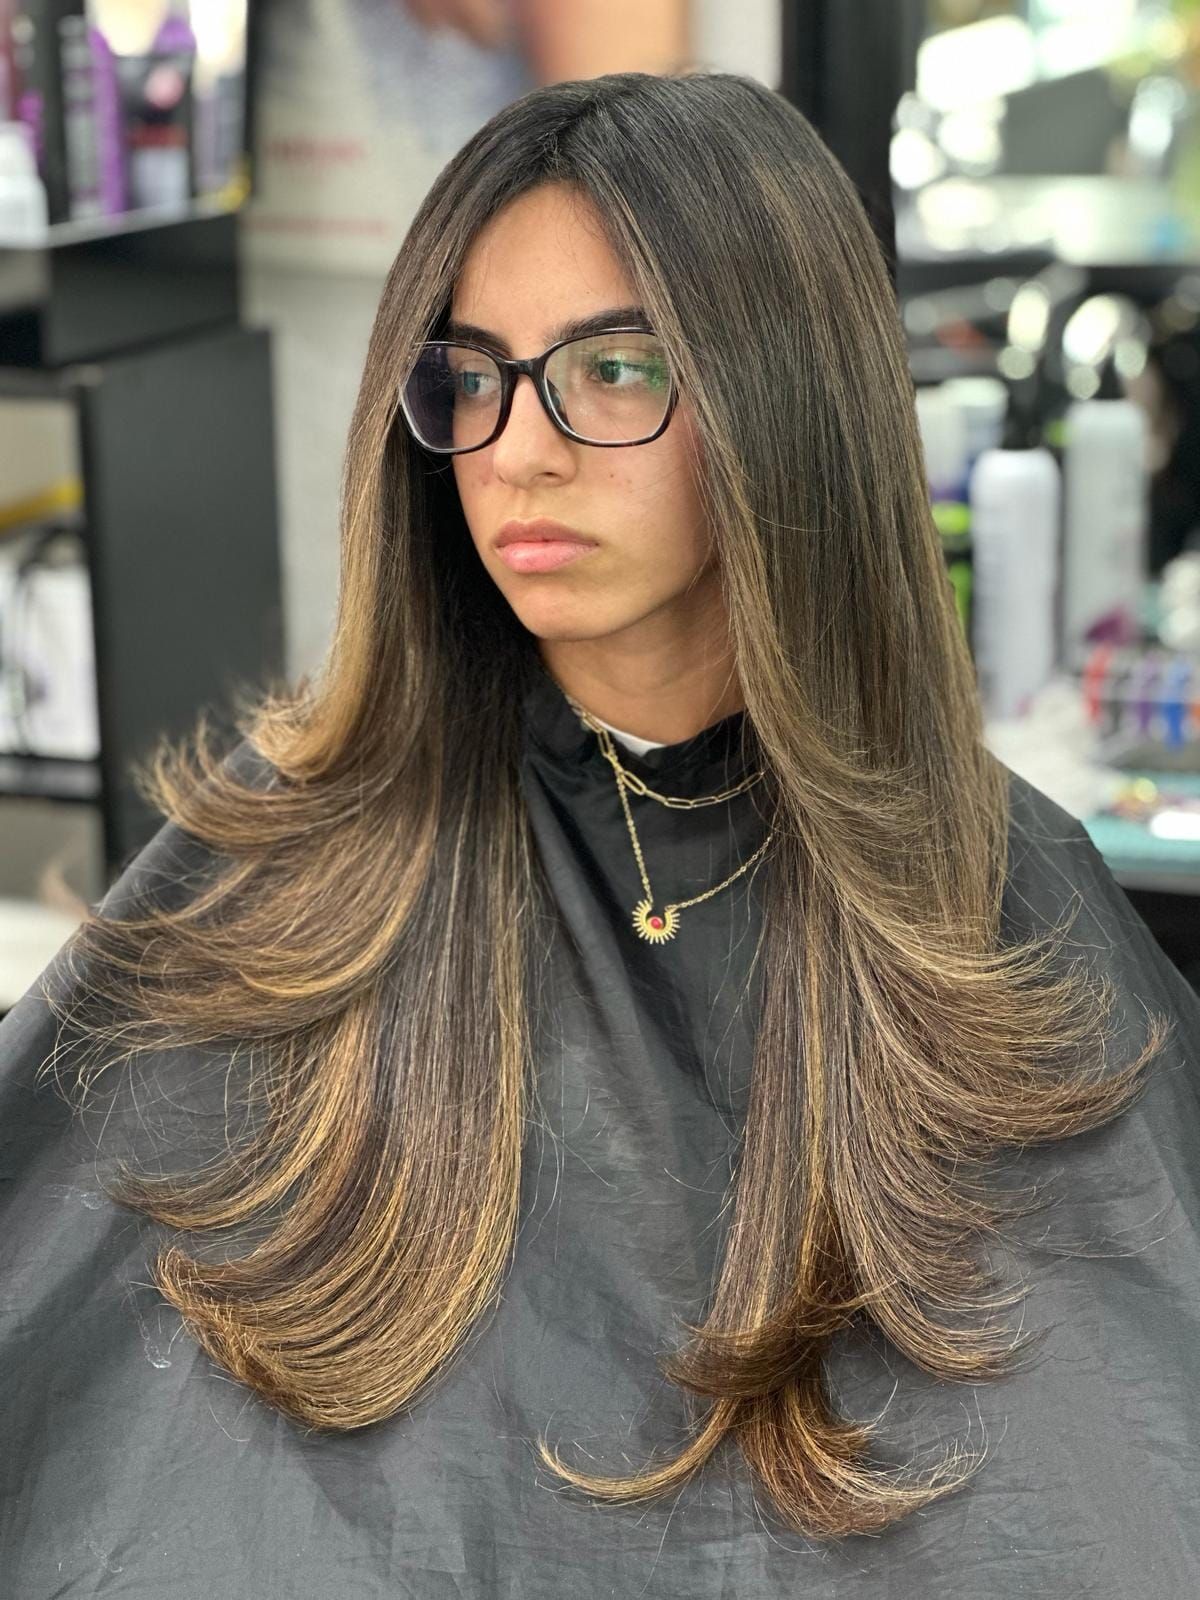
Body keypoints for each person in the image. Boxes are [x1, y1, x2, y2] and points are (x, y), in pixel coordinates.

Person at [2, 69, 1199, 1598]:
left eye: (615, 370)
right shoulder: (303, 852)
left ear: (787, 401)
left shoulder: (998, 886)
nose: (518, 451)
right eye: (473, 378)